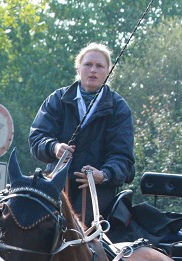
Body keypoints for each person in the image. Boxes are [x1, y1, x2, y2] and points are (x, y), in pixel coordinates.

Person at [28, 42, 135, 224]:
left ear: (108, 71)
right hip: (56, 184)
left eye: (99, 66)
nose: (93, 70)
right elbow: (37, 138)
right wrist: (54, 147)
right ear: (78, 68)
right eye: (88, 64)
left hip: (97, 190)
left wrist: (104, 174)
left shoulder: (119, 108)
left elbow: (123, 157)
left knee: (79, 229)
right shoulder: (57, 100)